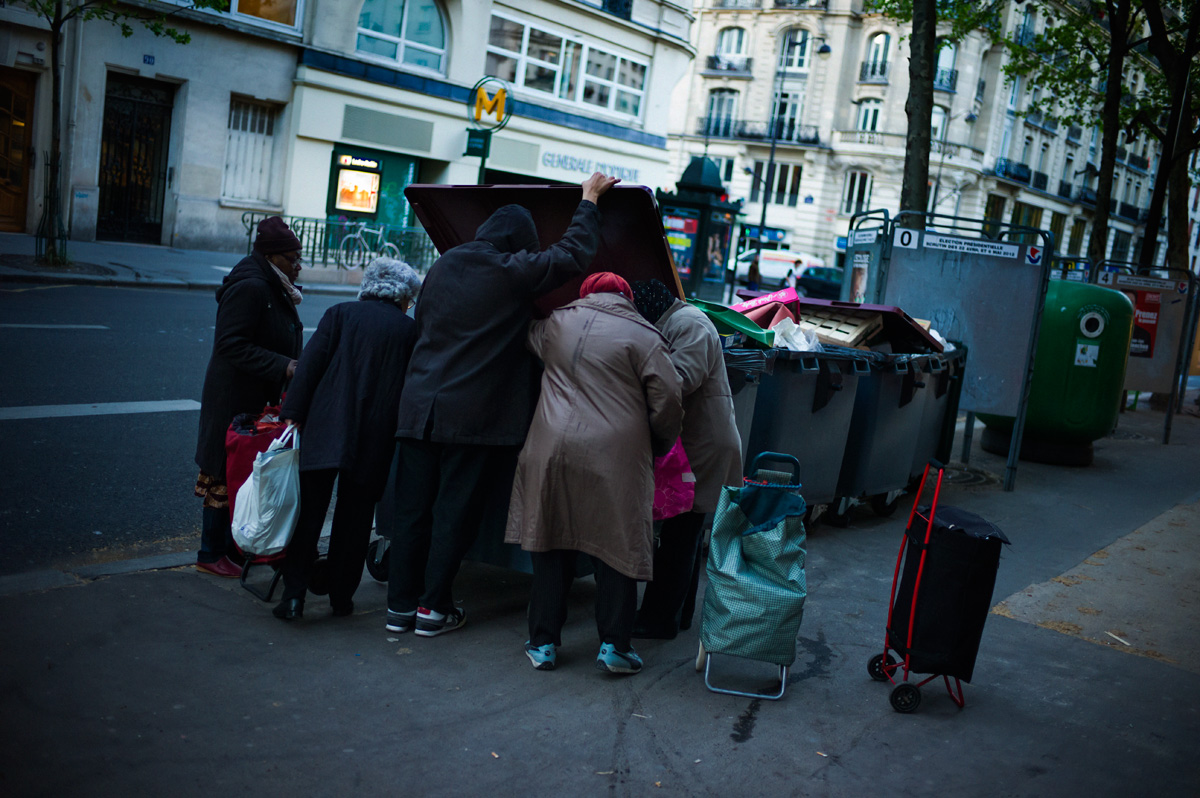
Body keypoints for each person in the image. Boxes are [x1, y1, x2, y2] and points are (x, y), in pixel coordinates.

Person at [386, 172, 620, 638]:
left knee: (412, 511)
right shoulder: (508, 271)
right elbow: (571, 254)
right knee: (453, 511)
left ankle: (399, 609)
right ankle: (433, 609)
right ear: (517, 244)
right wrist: (589, 201)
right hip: (469, 419)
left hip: (418, 411)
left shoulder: (443, 266)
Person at [506, 272, 683, 674]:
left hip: (550, 448)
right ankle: (614, 647)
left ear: (584, 294)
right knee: (616, 548)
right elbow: (669, 399)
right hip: (615, 456)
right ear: (627, 297)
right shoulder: (644, 336)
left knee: (550, 542)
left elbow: (526, 336)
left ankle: (543, 643)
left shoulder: (556, 323)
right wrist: (655, 442)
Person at [272, 258, 422, 620]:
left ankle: (294, 596)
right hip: (375, 436)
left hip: (326, 426)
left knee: (309, 514)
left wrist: (292, 413)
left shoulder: (339, 314)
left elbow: (310, 365)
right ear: (404, 296)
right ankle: (341, 597)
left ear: (368, 286)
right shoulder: (408, 330)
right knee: (355, 520)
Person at [631, 279, 743, 639]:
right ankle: (677, 614)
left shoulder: (689, 324)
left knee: (679, 538)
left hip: (703, 447)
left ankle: (658, 620)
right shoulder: (676, 321)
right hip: (695, 443)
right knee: (686, 536)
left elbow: (679, 380)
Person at [193, 216, 304, 578]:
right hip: (233, 396)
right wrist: (283, 365)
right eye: (293, 258)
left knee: (240, 473)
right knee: (222, 473)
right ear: (273, 257)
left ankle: (229, 547)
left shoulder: (272, 282)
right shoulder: (252, 287)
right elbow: (230, 344)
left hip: (252, 394)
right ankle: (210, 553)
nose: (298, 265)